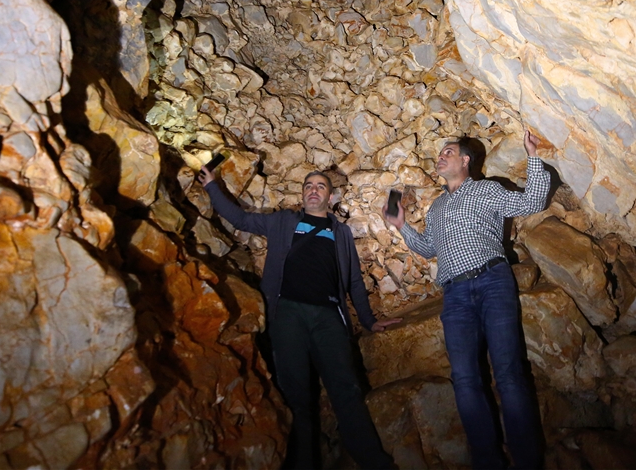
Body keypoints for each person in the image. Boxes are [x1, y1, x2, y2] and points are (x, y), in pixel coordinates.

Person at [199, 166, 399, 470]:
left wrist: (369, 320)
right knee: (296, 398)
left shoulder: (341, 233)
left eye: (320, 186)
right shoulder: (282, 222)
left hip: (329, 317)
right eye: (308, 185)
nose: (313, 189)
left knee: (347, 391)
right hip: (287, 314)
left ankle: (375, 463)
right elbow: (240, 218)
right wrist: (213, 186)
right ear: (302, 193)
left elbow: (354, 281)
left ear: (330, 197)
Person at [381, 130, 551, 470]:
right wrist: (402, 226)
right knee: (465, 378)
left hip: (492, 282)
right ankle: (488, 460)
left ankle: (527, 459)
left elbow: (532, 202)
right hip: (455, 294)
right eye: (440, 153)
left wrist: (532, 156)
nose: (441, 156)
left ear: (465, 161)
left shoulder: (486, 190)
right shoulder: (437, 207)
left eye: (448, 152)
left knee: (509, 372)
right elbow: (431, 248)